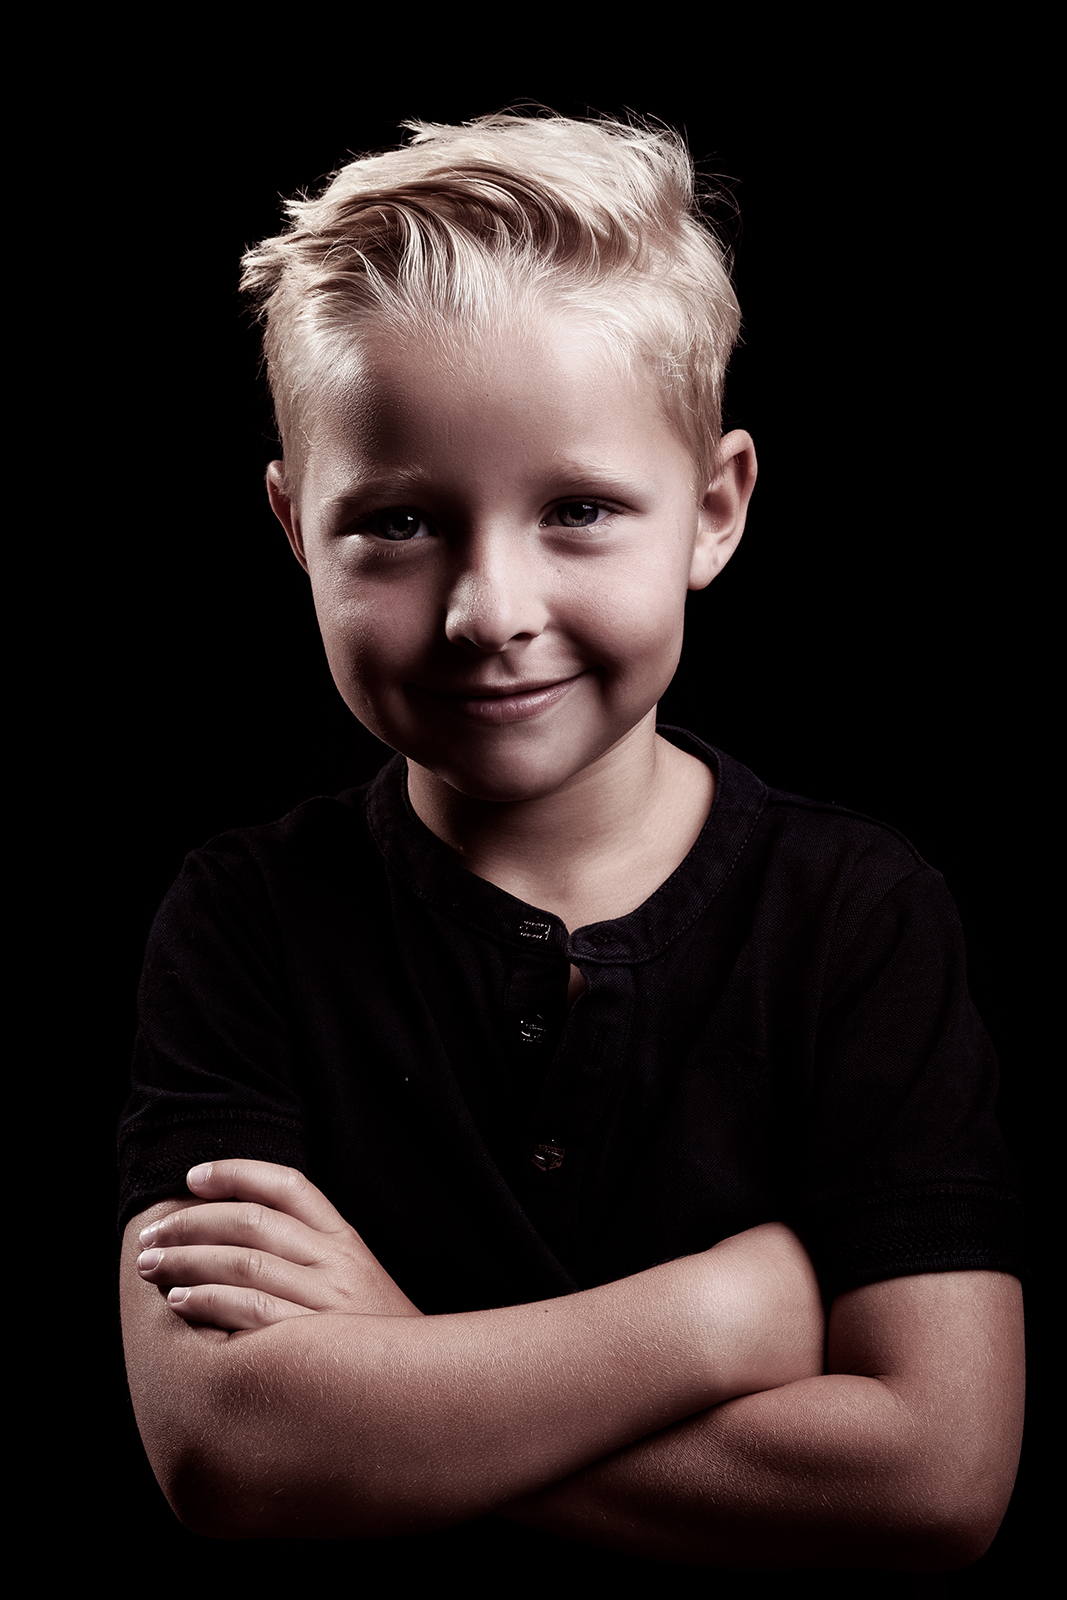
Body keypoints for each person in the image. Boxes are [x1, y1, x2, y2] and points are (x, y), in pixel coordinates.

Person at [118, 112, 1024, 1566]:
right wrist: (711, 1318)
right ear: (295, 529)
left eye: (581, 510)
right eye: (398, 524)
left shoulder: (858, 914)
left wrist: (395, 1370)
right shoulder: (247, 921)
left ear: (714, 510)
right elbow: (230, 1448)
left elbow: (936, 1476)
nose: (490, 610)